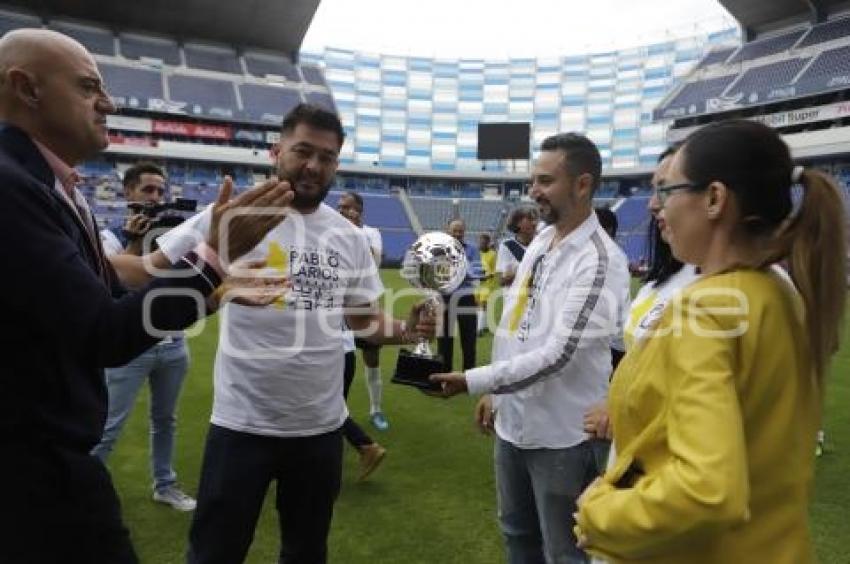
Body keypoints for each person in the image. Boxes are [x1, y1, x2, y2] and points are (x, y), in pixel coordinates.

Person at [0, 29, 292, 563]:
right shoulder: (13, 186)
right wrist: (215, 256)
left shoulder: (43, 183)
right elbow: (104, 332)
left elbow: (116, 279)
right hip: (32, 475)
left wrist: (214, 287)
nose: (108, 103)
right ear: (27, 88)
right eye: (90, 87)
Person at [155, 103, 434, 564]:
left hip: (320, 431)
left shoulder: (348, 237)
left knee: (306, 552)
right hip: (241, 424)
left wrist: (407, 330)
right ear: (276, 151)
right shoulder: (231, 215)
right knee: (214, 553)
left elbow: (363, 321)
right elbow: (148, 273)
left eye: (326, 157)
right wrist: (212, 289)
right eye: (303, 151)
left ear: (336, 165)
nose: (313, 165)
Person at [575, 120, 847, 564]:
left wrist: (600, 514)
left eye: (668, 192)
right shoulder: (777, 294)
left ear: (715, 199)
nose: (658, 209)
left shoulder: (705, 308)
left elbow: (707, 489)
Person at [431, 133, 631, 564]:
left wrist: (473, 379)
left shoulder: (600, 261)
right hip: (513, 425)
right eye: (533, 179)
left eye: (545, 180)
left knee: (564, 551)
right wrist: (494, 392)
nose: (533, 190)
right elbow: (513, 323)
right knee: (516, 536)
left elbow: (560, 354)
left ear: (582, 185)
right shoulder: (541, 240)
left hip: (563, 436)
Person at [91, 162, 196, 511]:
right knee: (108, 426)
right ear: (128, 193)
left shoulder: (172, 235)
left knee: (166, 421)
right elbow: (113, 285)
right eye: (147, 190)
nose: (155, 197)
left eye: (159, 191)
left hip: (172, 343)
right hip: (130, 346)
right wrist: (135, 242)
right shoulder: (107, 236)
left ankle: (164, 484)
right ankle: (78, 491)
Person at [337, 191, 390, 430]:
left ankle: (376, 410)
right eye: (339, 207)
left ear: (358, 210)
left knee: (372, 360)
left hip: (364, 306)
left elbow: (374, 262)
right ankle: (336, 417)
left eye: (347, 206)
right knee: (338, 365)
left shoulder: (370, 233)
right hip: (337, 311)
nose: (341, 211)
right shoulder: (332, 232)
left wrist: (355, 234)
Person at [438, 218, 484, 372]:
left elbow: (477, 273)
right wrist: (464, 269)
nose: (458, 234)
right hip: (445, 297)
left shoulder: (472, 248)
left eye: (460, 231)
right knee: (444, 338)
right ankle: (444, 375)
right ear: (448, 231)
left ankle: (469, 376)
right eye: (454, 230)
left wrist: (455, 268)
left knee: (469, 337)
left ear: (464, 231)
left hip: (466, 297)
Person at [496, 206, 538, 287]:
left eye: (535, 219)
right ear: (517, 223)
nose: (534, 223)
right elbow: (501, 280)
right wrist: (527, 271)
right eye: (529, 219)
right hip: (516, 297)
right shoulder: (507, 246)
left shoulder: (542, 244)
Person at [476, 232, 497, 335]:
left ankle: (479, 329)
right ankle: (484, 326)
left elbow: (494, 270)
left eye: (484, 243)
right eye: (480, 242)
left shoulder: (493, 254)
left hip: (487, 284)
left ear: (488, 243)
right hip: (476, 283)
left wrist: (487, 276)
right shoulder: (475, 253)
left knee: (483, 304)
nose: (482, 244)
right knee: (477, 305)